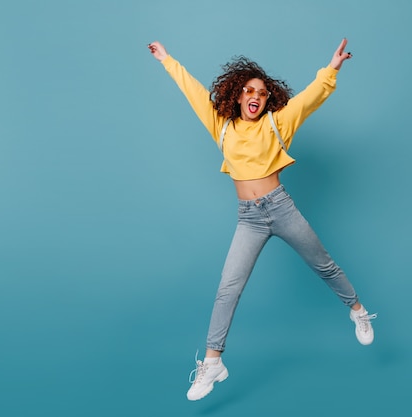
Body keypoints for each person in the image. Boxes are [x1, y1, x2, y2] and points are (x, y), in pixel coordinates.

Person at [147, 38, 376, 401]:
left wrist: (331, 69)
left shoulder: (276, 124)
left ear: (268, 100)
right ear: (237, 96)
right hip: (249, 219)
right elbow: (191, 91)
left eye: (263, 92)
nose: (256, 96)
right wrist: (166, 59)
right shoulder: (221, 126)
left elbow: (310, 98)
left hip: (280, 208)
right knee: (228, 288)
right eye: (249, 90)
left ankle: (358, 310)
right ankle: (212, 362)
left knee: (324, 265)